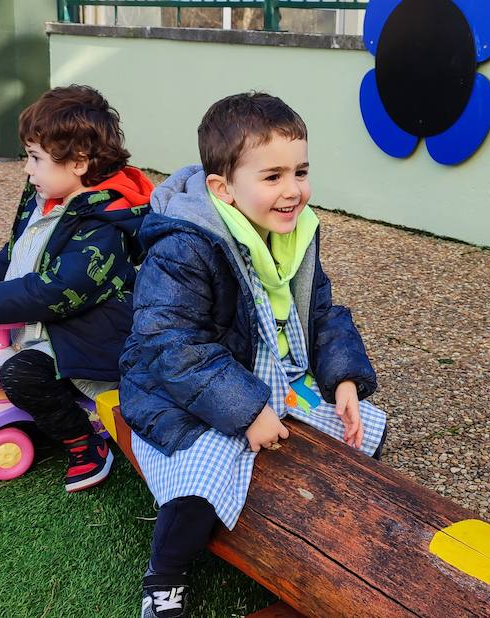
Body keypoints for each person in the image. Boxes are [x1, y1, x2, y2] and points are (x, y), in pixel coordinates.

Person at [118, 92, 388, 618]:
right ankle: (166, 573)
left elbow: (322, 310)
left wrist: (345, 380)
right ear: (223, 189)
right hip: (183, 392)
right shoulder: (186, 245)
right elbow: (169, 344)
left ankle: (326, 529)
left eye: (300, 171)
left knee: (364, 429)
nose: (293, 191)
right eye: (273, 177)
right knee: (201, 478)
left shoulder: (292, 233)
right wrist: (247, 411)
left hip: (270, 372)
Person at [0, 85, 153, 493]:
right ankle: (32, 401)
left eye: (35, 158)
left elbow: (59, 291)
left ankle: (86, 442)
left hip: (84, 335)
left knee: (22, 374)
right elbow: (12, 252)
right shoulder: (43, 196)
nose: (27, 170)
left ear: (78, 162)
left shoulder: (104, 223)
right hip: (37, 321)